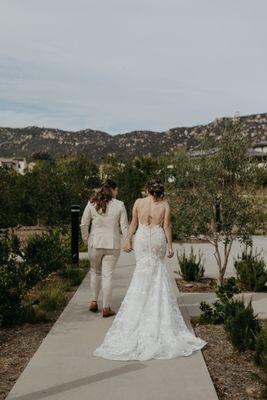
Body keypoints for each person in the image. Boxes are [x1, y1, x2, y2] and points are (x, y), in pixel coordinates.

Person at [93, 178, 207, 360]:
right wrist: (170, 246)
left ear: (147, 189)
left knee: (141, 273)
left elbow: (133, 224)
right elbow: (167, 226)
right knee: (158, 274)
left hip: (142, 239)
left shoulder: (138, 202)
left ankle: (138, 312)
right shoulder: (165, 205)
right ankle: (156, 313)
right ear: (160, 190)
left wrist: (128, 240)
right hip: (157, 239)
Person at [80, 179, 129, 318]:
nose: (117, 192)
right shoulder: (120, 205)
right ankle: (106, 307)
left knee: (95, 272)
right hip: (112, 245)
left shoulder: (91, 203)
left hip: (95, 243)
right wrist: (127, 242)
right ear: (112, 190)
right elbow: (124, 227)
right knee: (107, 275)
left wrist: (86, 239)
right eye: (116, 190)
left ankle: (94, 301)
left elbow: (83, 224)